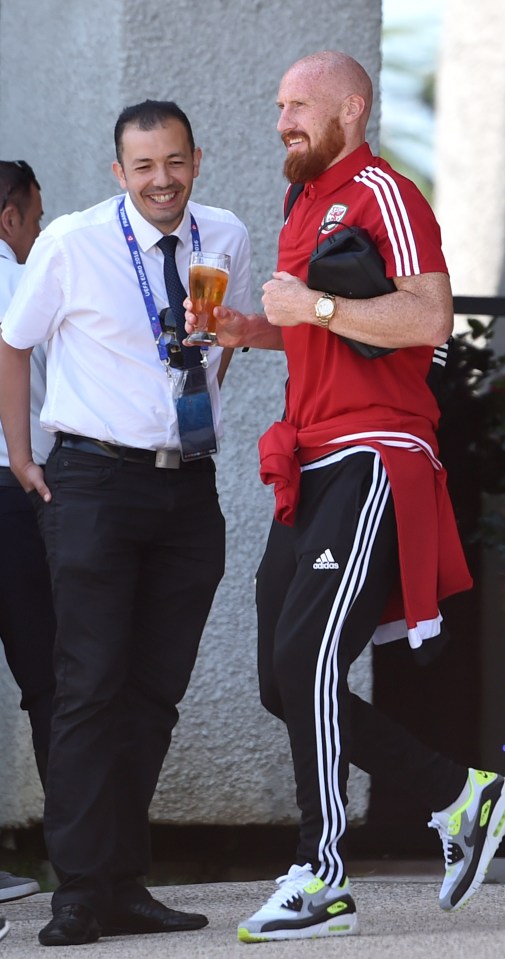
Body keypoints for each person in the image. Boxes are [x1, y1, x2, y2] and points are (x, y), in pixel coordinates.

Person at [185, 51, 505, 943]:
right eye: (280, 104)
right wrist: (249, 329)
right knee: (277, 678)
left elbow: (428, 319)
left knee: (306, 661)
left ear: (352, 108)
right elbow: (313, 338)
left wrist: (317, 312)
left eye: (300, 105)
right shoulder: (303, 200)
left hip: (375, 453)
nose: (284, 119)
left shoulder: (388, 193)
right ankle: (462, 796)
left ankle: (322, 875)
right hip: (310, 462)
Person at [0, 101, 253, 947]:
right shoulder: (73, 240)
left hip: (189, 488)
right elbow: (13, 341)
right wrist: (24, 455)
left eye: (175, 162)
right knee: (88, 688)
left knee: (153, 696)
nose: (162, 180)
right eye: (143, 166)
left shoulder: (225, 236)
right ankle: (77, 890)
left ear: (196, 159)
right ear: (120, 172)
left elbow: (224, 345)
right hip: (94, 480)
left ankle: (122, 880)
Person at [0, 159, 55, 905]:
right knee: (51, 676)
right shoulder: (22, 283)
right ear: (9, 215)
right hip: (14, 492)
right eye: (36, 218)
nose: (38, 233)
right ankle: (81, 860)